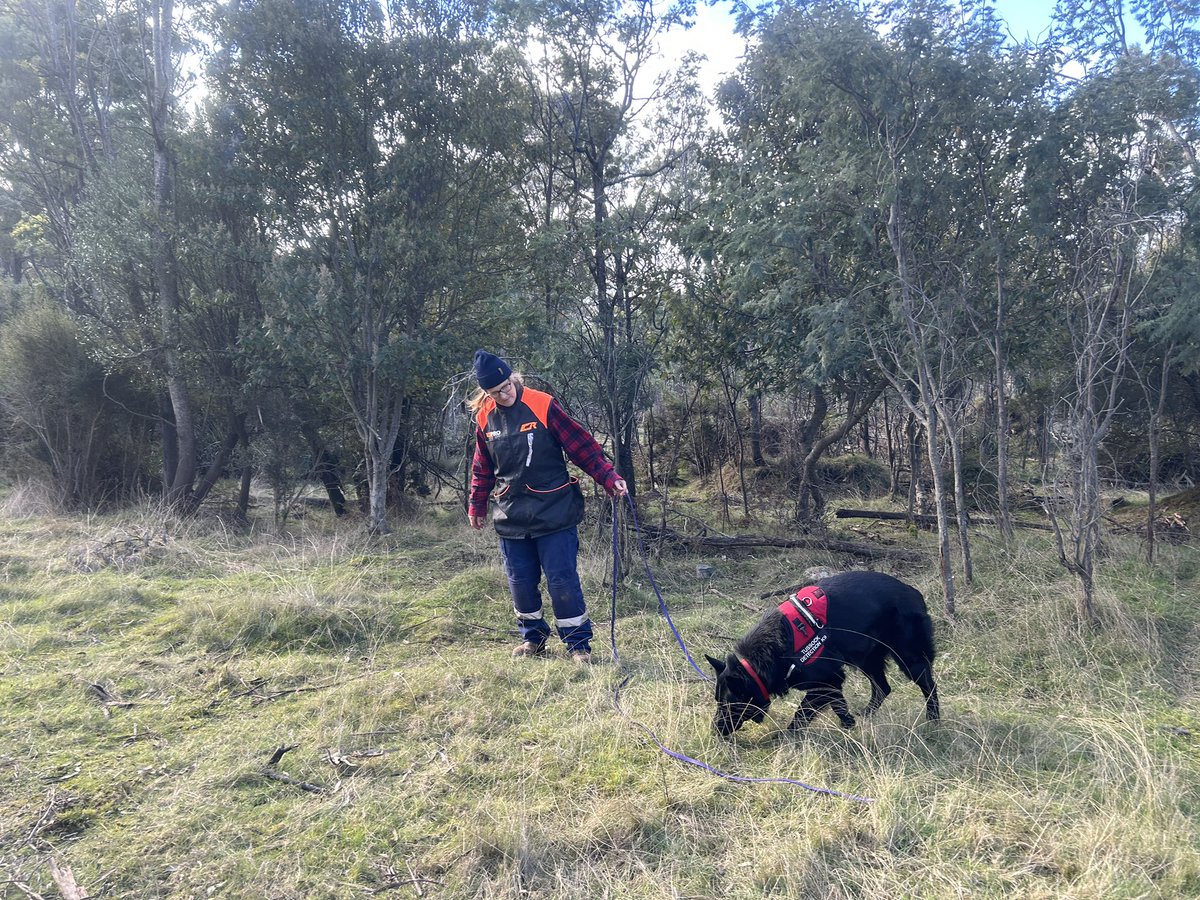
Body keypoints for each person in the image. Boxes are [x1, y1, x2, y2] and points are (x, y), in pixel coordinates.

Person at [467, 349, 627, 664]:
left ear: (513, 377)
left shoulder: (543, 405)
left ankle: (578, 646)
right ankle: (533, 641)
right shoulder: (485, 417)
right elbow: (481, 467)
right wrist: (476, 505)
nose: (505, 394)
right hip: (511, 515)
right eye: (496, 392)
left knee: (562, 580)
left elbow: (582, 447)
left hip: (554, 512)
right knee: (520, 581)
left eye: (507, 386)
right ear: (486, 393)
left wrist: (608, 477)